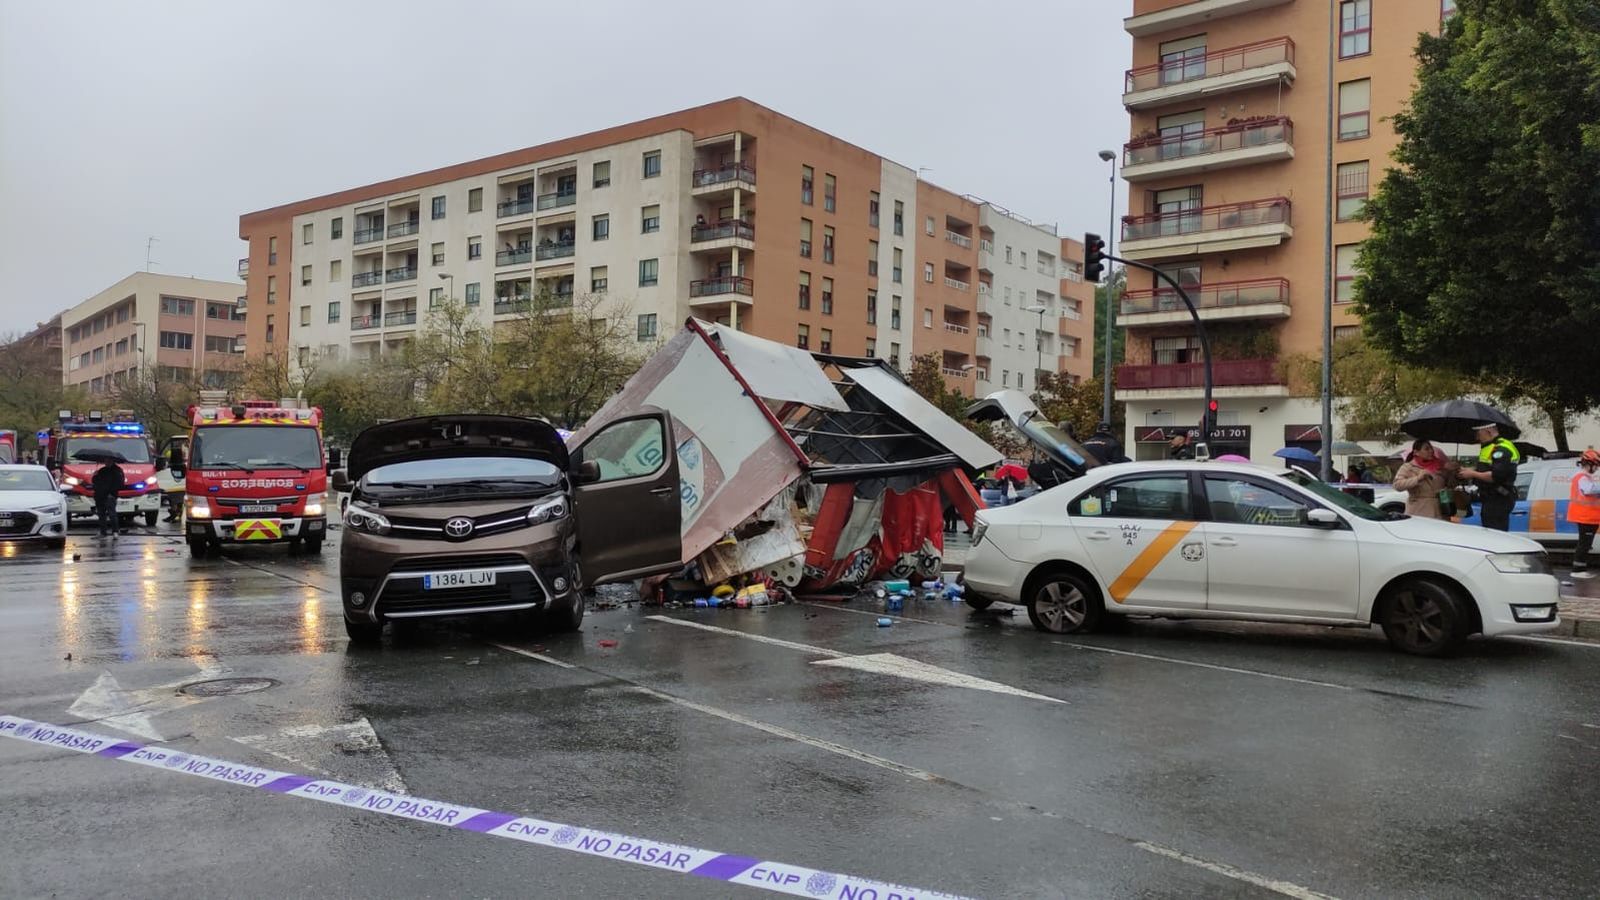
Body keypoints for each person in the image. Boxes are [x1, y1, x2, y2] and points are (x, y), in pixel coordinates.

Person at [1458, 422, 1520, 530]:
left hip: (1498, 498)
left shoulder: (1501, 449)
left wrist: (1472, 474)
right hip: (1490, 498)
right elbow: (1486, 468)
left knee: (1495, 533)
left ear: (1489, 431)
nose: (1477, 437)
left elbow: (1495, 476)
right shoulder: (1490, 447)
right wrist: (1471, 471)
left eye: (1478, 433)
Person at [1391, 439, 1457, 519]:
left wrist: (1452, 473)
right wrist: (1418, 478)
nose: (1431, 451)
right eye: (1426, 449)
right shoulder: (1408, 467)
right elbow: (1397, 485)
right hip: (1418, 511)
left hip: (1440, 511)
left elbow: (1451, 485)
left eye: (1431, 448)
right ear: (1416, 452)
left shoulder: (1441, 465)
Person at [1566, 449, 1600, 578]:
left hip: (1588, 517)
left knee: (1585, 544)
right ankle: (1578, 570)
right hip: (1585, 516)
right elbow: (1588, 490)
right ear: (1588, 463)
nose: (1596, 468)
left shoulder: (1584, 477)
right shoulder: (1582, 477)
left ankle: (1580, 568)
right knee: (1584, 544)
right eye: (1595, 465)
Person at [90, 459, 126, 536]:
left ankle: (115, 531)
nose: (106, 462)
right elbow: (95, 481)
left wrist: (111, 493)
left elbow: (120, 484)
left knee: (112, 514)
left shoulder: (117, 471)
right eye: (105, 461)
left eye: (108, 461)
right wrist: (95, 475)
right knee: (101, 514)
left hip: (110, 496)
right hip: (100, 495)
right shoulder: (102, 470)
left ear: (112, 461)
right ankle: (103, 531)